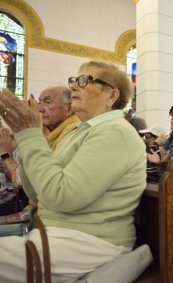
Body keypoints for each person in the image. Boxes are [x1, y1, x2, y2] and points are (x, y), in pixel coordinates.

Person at [0, 60, 147, 282]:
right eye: (73, 80)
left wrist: (31, 135)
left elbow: (62, 196)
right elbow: (38, 193)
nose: (74, 86)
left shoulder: (115, 132)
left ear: (112, 96)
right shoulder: (80, 132)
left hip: (89, 241)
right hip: (60, 233)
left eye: (85, 80)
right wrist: (25, 134)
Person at [38, 86, 80, 151]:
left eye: (48, 102)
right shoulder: (51, 134)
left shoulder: (74, 134)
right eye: (39, 102)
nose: (40, 109)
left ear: (69, 109)